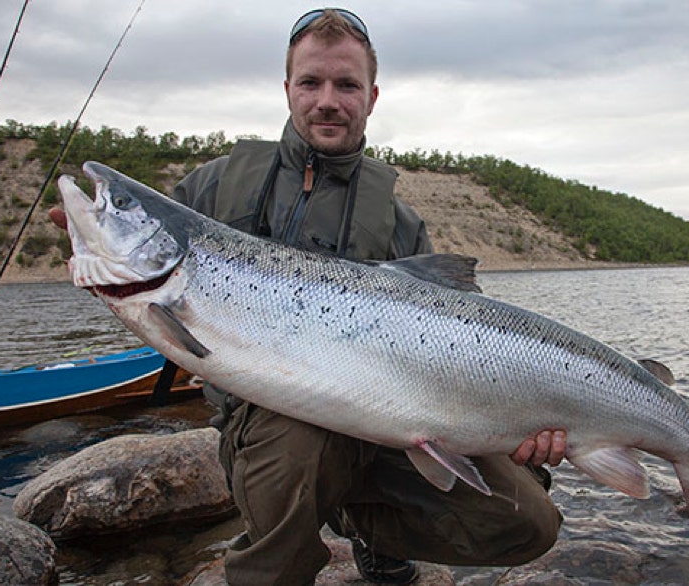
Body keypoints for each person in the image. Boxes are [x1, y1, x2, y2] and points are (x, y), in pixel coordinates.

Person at [54, 8, 566, 585]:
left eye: (346, 85)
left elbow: (449, 347)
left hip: (394, 418)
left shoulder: (399, 223)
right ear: (287, 90)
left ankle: (368, 528)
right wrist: (99, 252)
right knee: (298, 441)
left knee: (529, 523)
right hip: (271, 425)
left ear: (371, 97)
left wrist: (521, 422)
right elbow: (147, 281)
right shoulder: (213, 186)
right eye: (311, 83)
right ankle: (273, 564)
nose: (327, 100)